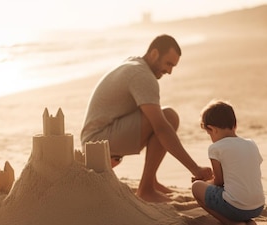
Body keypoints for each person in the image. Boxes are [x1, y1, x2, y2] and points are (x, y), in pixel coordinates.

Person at [80, 34, 212, 203]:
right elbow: (161, 127)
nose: (169, 71)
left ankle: (151, 182)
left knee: (162, 116)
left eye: (173, 66)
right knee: (168, 117)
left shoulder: (135, 63)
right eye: (168, 64)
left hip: (95, 142)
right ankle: (146, 188)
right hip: (98, 145)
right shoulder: (142, 75)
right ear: (154, 53)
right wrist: (196, 169)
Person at [191, 100, 265, 225]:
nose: (210, 137)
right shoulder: (251, 144)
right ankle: (248, 221)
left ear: (212, 129)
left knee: (196, 187)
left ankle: (231, 223)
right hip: (258, 207)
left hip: (236, 207)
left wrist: (204, 183)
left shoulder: (215, 148)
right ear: (234, 125)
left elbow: (219, 181)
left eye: (209, 134)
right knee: (237, 191)